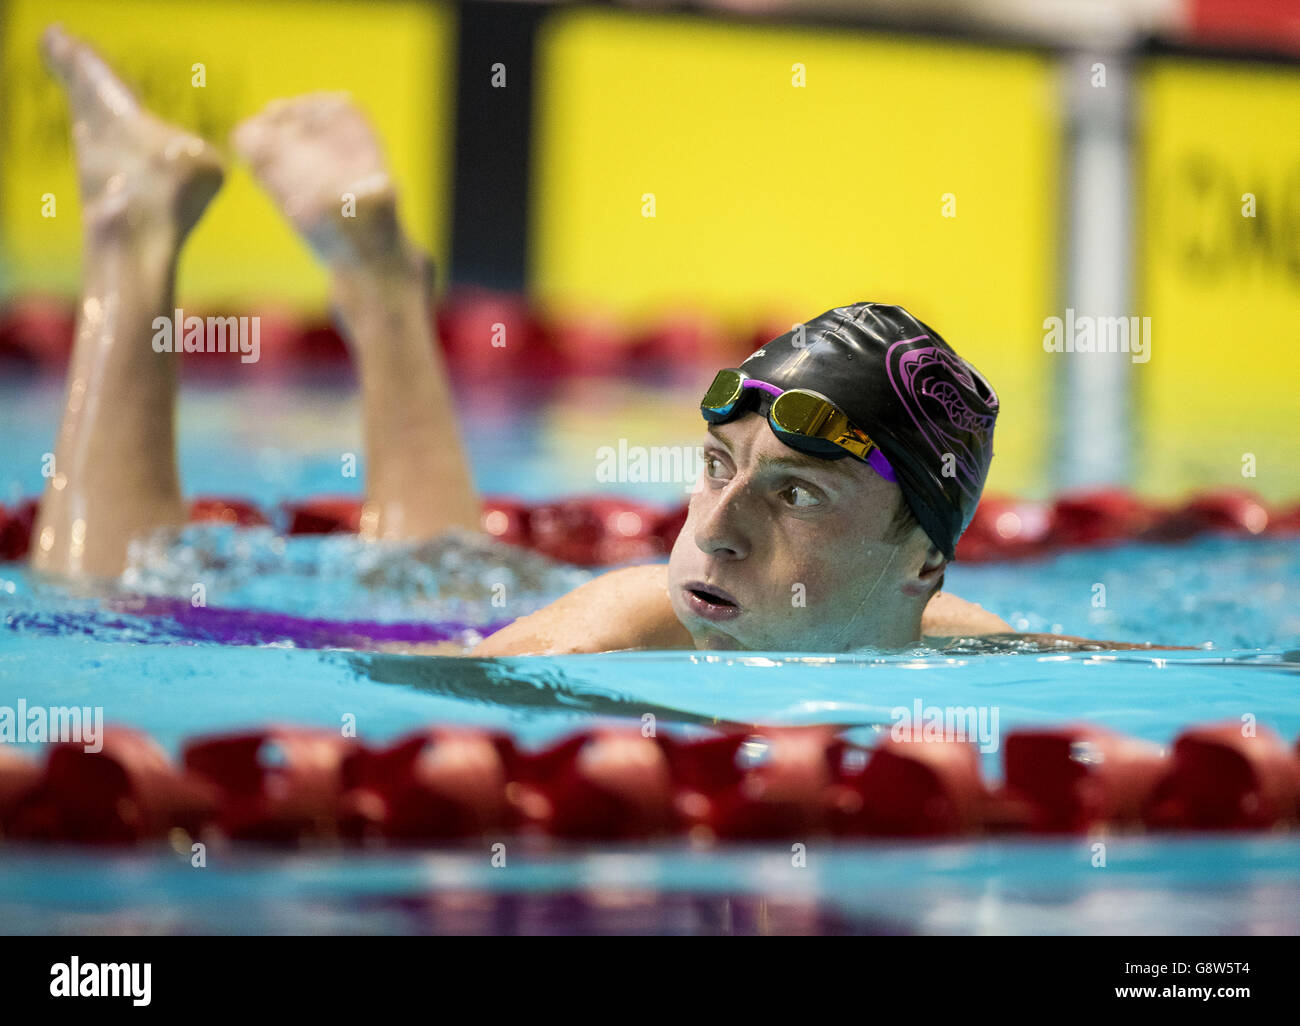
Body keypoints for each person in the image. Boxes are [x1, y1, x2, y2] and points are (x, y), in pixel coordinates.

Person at [29, 26, 1152, 657]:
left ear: (923, 565)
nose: (710, 534)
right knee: (99, 589)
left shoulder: (967, 646)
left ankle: (377, 281)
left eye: (797, 496)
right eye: (717, 470)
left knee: (430, 572)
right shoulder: (606, 634)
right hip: (479, 633)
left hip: (499, 600)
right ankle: (133, 231)